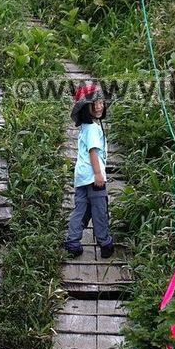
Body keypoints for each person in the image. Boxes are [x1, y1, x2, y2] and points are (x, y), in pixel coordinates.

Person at [64, 84, 115, 259]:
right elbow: (93, 151)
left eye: (101, 102)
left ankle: (72, 242)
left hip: (81, 177)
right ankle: (105, 242)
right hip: (94, 178)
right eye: (95, 103)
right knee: (100, 210)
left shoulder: (86, 127)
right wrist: (99, 174)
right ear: (86, 108)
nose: (99, 106)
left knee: (81, 209)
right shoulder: (93, 128)